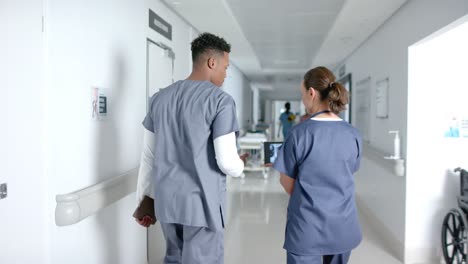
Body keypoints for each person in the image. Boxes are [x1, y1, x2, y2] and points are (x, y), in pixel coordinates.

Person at [135, 32, 248, 264]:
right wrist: (241, 165)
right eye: (225, 67)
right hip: (202, 206)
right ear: (212, 62)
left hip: (167, 204)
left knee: (174, 258)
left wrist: (143, 202)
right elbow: (227, 162)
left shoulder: (159, 98)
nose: (226, 74)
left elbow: (148, 156)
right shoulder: (220, 101)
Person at [272, 66, 362, 264]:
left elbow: (286, 182)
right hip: (342, 224)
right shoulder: (353, 134)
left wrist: (310, 196)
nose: (303, 100)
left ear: (311, 93)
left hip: (307, 227)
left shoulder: (299, 134)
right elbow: (348, 172)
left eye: (302, 94)